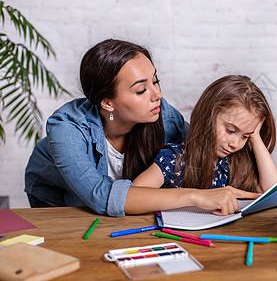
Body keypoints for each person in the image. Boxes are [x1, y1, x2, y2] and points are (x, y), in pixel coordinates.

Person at [24, 39, 260, 217]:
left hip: (129, 201)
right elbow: (101, 196)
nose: (158, 95)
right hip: (62, 198)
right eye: (141, 90)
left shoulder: (163, 114)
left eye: (155, 81)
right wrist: (195, 196)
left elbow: (202, 150)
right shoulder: (67, 127)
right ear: (107, 102)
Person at [134, 75, 277, 213]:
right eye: (230, 131)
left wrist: (255, 137)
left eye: (245, 136)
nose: (235, 144)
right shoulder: (175, 159)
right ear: (207, 116)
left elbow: (275, 193)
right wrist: (196, 197)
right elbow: (133, 195)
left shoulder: (237, 161)